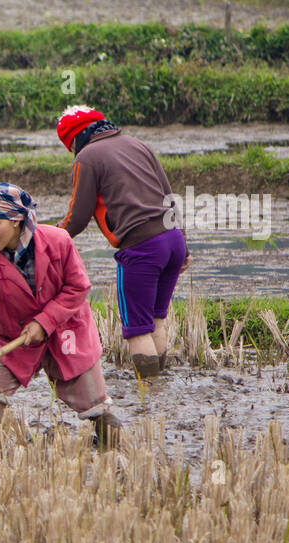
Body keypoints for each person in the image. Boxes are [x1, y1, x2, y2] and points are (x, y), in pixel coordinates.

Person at [0, 182, 121, 448]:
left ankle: (116, 449)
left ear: (16, 220)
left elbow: (78, 287)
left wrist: (45, 321)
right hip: (12, 338)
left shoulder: (58, 241)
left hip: (66, 332)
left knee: (94, 406)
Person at [54, 105, 190, 378]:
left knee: (137, 329)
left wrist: (49, 238)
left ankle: (148, 394)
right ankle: (161, 394)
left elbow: (78, 217)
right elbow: (169, 195)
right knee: (156, 320)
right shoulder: (138, 145)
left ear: (74, 140)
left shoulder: (87, 157)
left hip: (141, 248)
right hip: (173, 240)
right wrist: (184, 245)